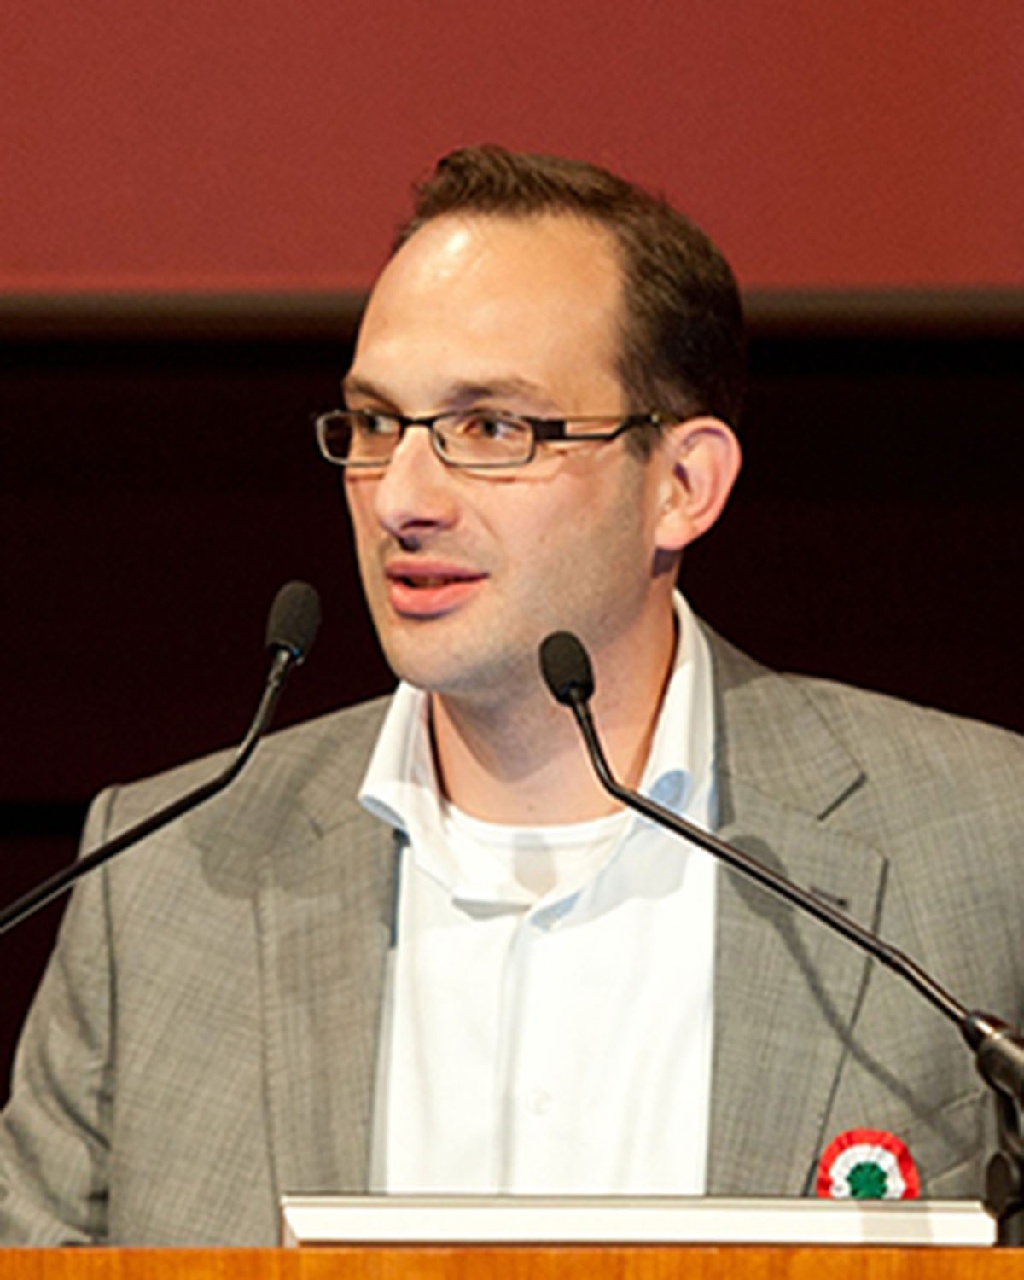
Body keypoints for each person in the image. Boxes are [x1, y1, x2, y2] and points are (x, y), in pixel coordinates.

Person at [1, 145, 1022, 1246]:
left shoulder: (981, 846)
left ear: (682, 485)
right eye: (376, 424)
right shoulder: (162, 882)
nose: (400, 497)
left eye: (491, 428)